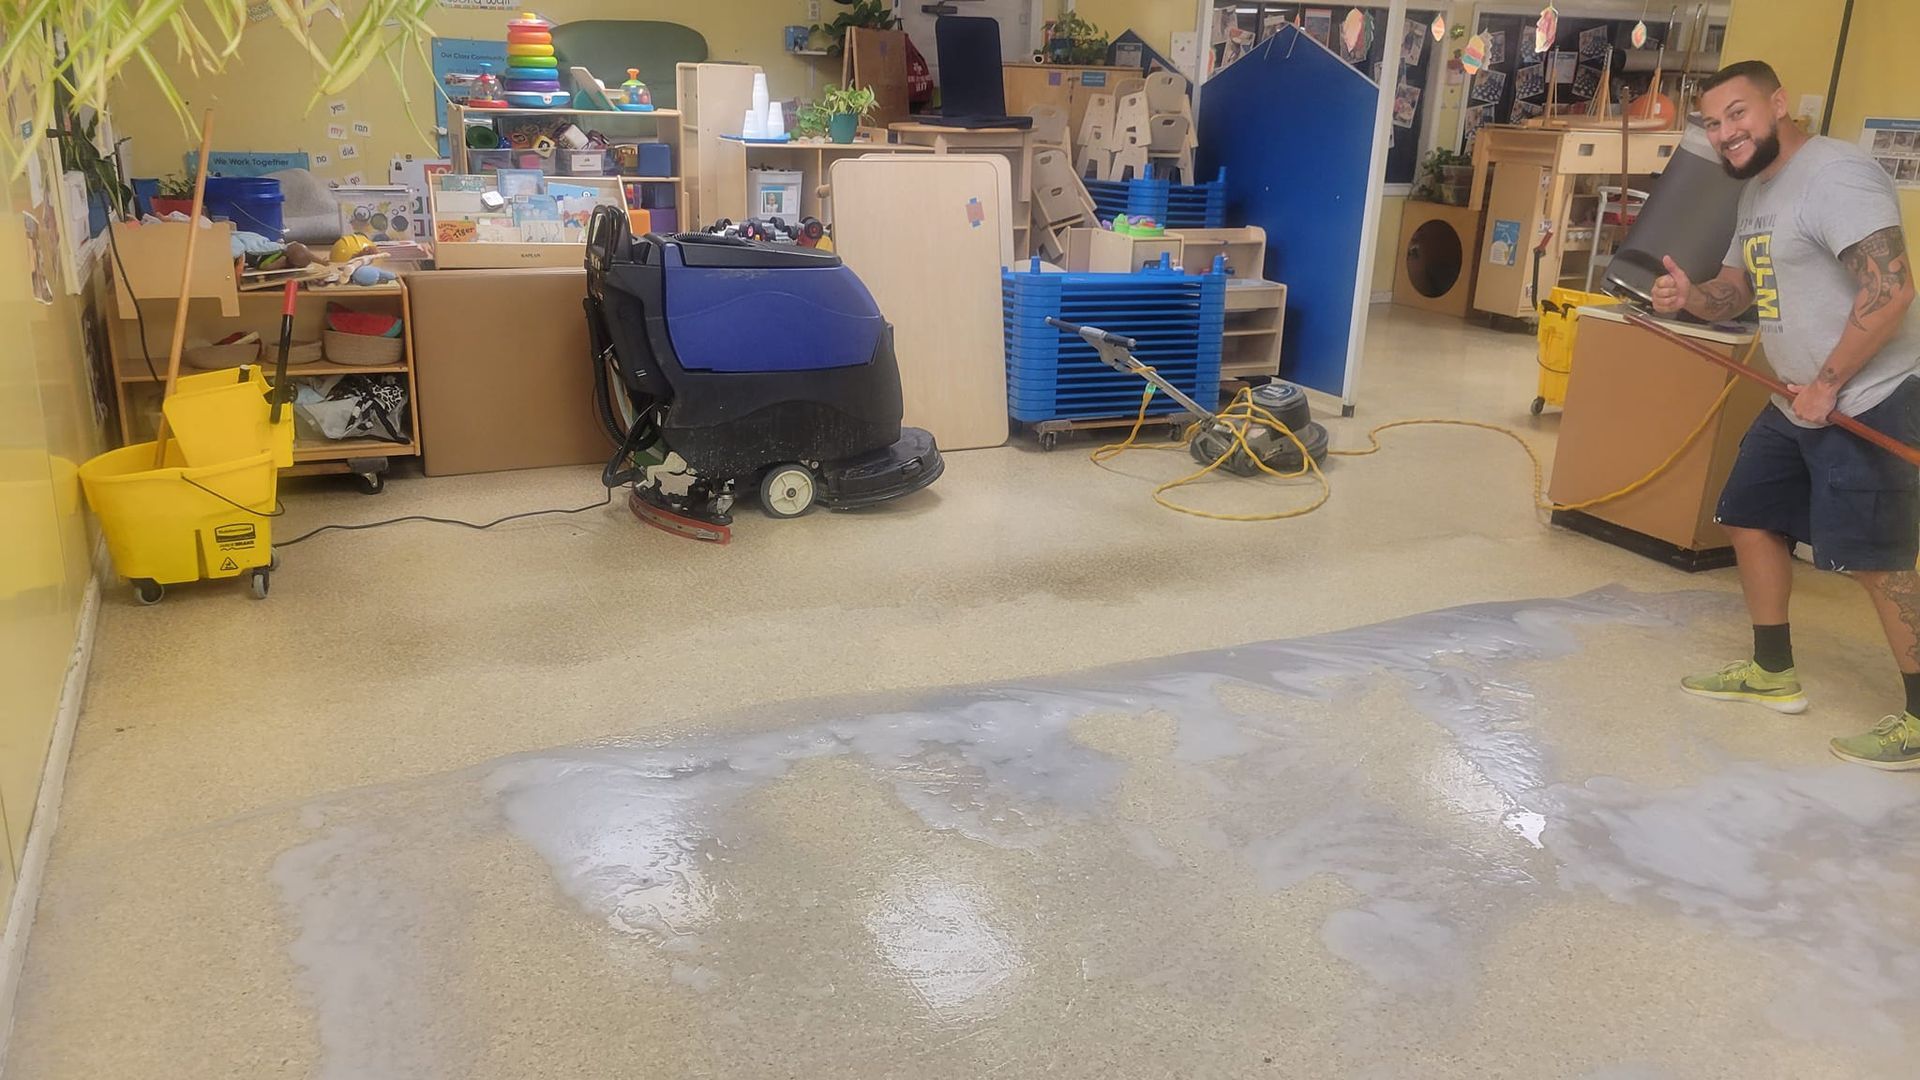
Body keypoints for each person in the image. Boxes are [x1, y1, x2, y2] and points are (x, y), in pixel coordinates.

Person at [1651, 60, 1919, 769]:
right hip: (1795, 398)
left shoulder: (1837, 176)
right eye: (1713, 122)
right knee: (1748, 513)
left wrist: (1829, 382)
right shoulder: (1760, 191)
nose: (1725, 133)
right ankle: (1772, 672)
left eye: (1737, 114)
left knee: (1879, 562)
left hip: (1869, 396)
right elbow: (1738, 290)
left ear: (1778, 105)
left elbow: (1891, 292)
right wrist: (1691, 298)